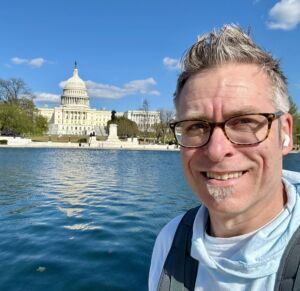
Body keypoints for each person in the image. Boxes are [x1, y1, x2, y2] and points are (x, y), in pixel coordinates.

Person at [149, 24, 300, 291]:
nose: (217, 151)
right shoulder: (170, 242)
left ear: (285, 134)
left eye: (244, 121)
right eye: (196, 125)